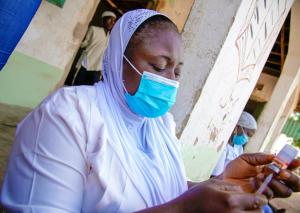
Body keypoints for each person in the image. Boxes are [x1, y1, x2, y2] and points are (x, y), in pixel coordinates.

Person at [1, 9, 299, 212]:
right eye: (158, 66)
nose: (169, 81)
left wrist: (224, 183)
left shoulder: (158, 125)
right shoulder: (68, 115)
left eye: (177, 72)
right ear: (119, 60)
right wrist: (184, 210)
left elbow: (154, 187)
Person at [72, 11, 116, 85]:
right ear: (103, 20)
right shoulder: (94, 29)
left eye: (114, 21)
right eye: (110, 19)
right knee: (77, 86)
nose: (112, 22)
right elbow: (83, 44)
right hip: (87, 64)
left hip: (98, 68)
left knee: (91, 90)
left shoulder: (110, 37)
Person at [212, 111, 257, 177]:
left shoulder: (239, 148)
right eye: (247, 134)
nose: (246, 139)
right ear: (237, 127)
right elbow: (216, 175)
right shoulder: (222, 146)